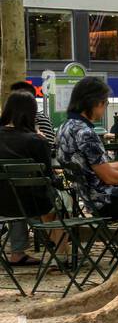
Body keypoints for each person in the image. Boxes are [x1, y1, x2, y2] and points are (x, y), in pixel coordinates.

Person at [54, 77, 118, 220]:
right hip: (108, 201)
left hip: (92, 202)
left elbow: (97, 168)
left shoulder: (64, 128)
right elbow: (109, 177)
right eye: (105, 102)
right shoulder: (86, 133)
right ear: (94, 103)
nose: (105, 106)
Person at [0, 91, 57, 265]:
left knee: (13, 193)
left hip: (2, 203)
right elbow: (48, 176)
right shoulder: (35, 141)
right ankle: (61, 257)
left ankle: (17, 252)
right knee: (58, 205)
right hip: (33, 205)